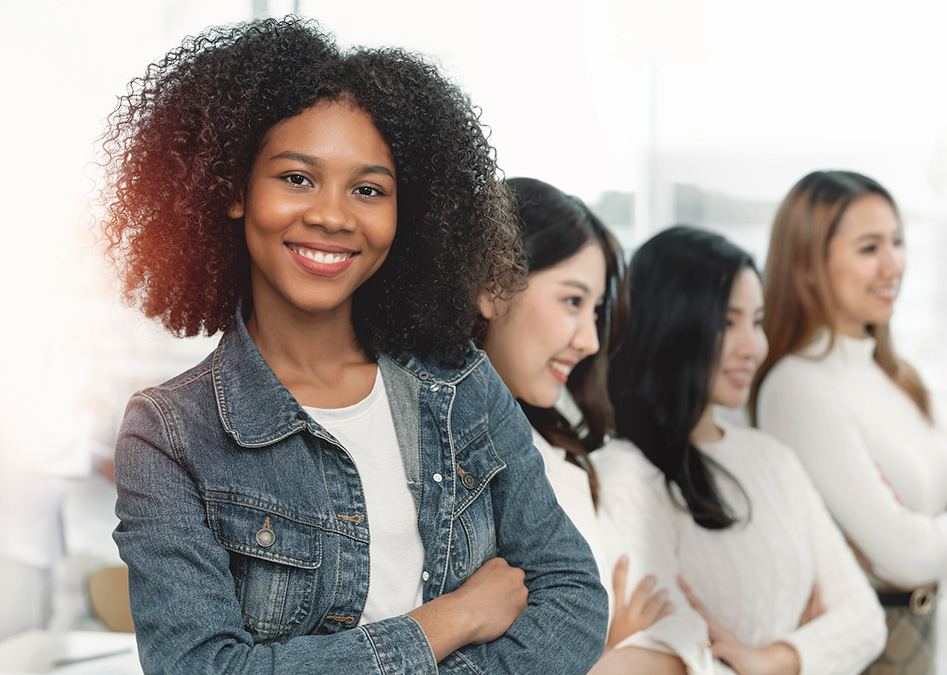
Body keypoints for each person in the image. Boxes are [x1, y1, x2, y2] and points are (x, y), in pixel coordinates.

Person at [97, 17, 606, 674]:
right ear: (230, 189)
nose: (334, 215)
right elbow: (201, 666)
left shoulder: (460, 383)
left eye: (368, 189)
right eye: (297, 178)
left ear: (409, 211)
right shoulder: (168, 435)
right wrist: (447, 620)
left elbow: (574, 598)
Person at [594, 226, 886, 675]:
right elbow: (668, 658)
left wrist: (774, 659)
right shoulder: (624, 474)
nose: (755, 347)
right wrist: (810, 647)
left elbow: (866, 619)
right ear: (670, 324)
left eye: (756, 321)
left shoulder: (772, 458)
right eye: (726, 323)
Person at [751, 170, 947, 673]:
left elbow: (909, 543)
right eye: (869, 248)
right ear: (809, 264)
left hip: (921, 639)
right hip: (866, 651)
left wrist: (920, 531)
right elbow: (907, 555)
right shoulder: (799, 386)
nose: (894, 264)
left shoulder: (898, 375)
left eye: (898, 242)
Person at [476, 177, 675, 656]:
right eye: (572, 301)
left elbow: (675, 633)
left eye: (596, 311)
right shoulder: (413, 448)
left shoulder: (558, 452)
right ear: (491, 282)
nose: (590, 340)